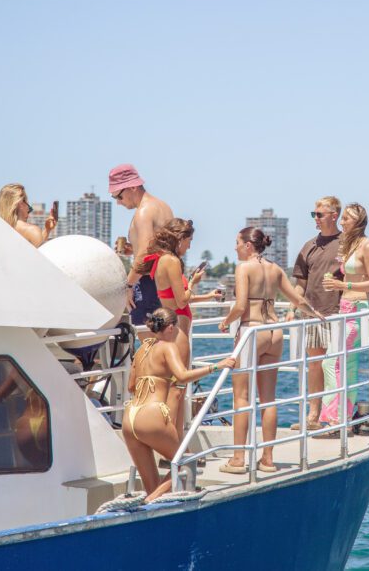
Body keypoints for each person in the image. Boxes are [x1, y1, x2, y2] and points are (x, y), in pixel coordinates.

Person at [218, 227, 324, 474]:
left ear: (247, 245)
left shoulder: (244, 268)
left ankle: (237, 458)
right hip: (275, 333)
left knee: (241, 398)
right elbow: (298, 300)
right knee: (268, 399)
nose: (234, 248)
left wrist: (225, 321)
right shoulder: (275, 269)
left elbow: (241, 305)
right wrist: (315, 313)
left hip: (252, 331)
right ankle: (268, 459)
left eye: (237, 242)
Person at [122, 307, 235, 502]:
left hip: (129, 417)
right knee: (186, 463)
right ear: (171, 327)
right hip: (151, 415)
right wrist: (217, 366)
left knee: (152, 486)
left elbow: (131, 386)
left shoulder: (142, 349)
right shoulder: (167, 346)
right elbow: (182, 375)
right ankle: (147, 502)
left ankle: (149, 503)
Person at [133, 218, 222, 439]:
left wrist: (205, 295)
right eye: (189, 241)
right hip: (179, 330)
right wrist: (193, 282)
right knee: (177, 392)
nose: (190, 246)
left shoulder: (159, 260)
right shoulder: (171, 261)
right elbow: (182, 301)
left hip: (172, 327)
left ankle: (174, 443)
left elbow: (173, 298)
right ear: (179, 238)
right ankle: (174, 445)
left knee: (173, 389)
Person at [286, 196, 343, 431]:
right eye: (314, 215)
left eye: (319, 214)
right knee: (316, 365)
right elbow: (300, 283)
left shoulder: (347, 243)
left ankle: (336, 416)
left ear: (334, 215)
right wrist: (292, 308)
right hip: (312, 313)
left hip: (338, 313)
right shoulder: (309, 246)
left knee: (337, 366)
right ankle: (313, 415)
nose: (315, 219)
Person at [320, 203, 369, 426]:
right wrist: (337, 285)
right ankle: (341, 416)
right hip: (343, 307)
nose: (342, 221)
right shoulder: (349, 245)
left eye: (346, 218)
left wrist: (340, 284)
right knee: (347, 364)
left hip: (357, 309)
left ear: (358, 222)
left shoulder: (368, 246)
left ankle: (336, 416)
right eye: (342, 217)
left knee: (332, 362)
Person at [108, 164, 173, 331]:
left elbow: (146, 254)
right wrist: (133, 250)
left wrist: (128, 286)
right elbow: (158, 249)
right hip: (164, 284)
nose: (118, 203)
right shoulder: (163, 206)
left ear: (133, 187)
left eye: (119, 197)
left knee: (148, 347)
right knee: (163, 343)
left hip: (147, 285)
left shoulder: (143, 212)